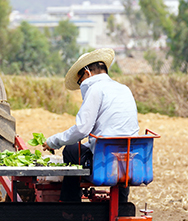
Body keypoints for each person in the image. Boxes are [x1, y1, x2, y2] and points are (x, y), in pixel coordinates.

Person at [44, 48, 139, 202]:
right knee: (122, 148)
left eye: (80, 80)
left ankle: (70, 207)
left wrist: (53, 142)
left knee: (71, 150)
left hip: (104, 160)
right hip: (130, 159)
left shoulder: (95, 89)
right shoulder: (124, 89)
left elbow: (82, 129)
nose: (81, 84)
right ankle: (121, 207)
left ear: (87, 73)